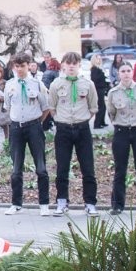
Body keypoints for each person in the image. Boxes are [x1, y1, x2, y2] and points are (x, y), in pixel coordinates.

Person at [47, 53, 98, 215]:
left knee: (88, 168)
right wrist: (60, 120)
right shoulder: (56, 84)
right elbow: (52, 107)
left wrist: (81, 120)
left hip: (82, 129)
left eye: (74, 63)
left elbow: (93, 107)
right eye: (68, 63)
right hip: (63, 130)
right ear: (62, 65)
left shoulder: (88, 84)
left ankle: (90, 202)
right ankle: (62, 201)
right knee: (62, 167)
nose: (71, 66)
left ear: (79, 65)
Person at [2, 54, 51, 215]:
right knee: (16, 168)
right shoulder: (9, 85)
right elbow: (8, 106)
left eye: (22, 65)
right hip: (16, 127)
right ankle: (16, 203)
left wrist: (36, 122)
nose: (19, 69)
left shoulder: (37, 84)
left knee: (41, 167)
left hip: (34, 127)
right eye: (16, 66)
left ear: (28, 66)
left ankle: (44, 204)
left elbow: (45, 108)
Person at [105, 62, 136, 215]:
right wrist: (121, 124)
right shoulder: (113, 92)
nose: (125, 74)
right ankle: (117, 204)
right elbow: (111, 112)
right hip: (121, 132)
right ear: (118, 74)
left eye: (128, 71)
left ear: (133, 72)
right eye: (122, 71)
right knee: (120, 170)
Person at [89, 54, 110, 129]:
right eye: (97, 59)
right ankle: (97, 124)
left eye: (100, 58)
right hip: (98, 89)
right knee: (100, 107)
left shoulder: (100, 68)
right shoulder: (94, 69)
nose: (99, 60)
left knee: (103, 107)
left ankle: (102, 122)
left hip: (102, 88)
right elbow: (95, 80)